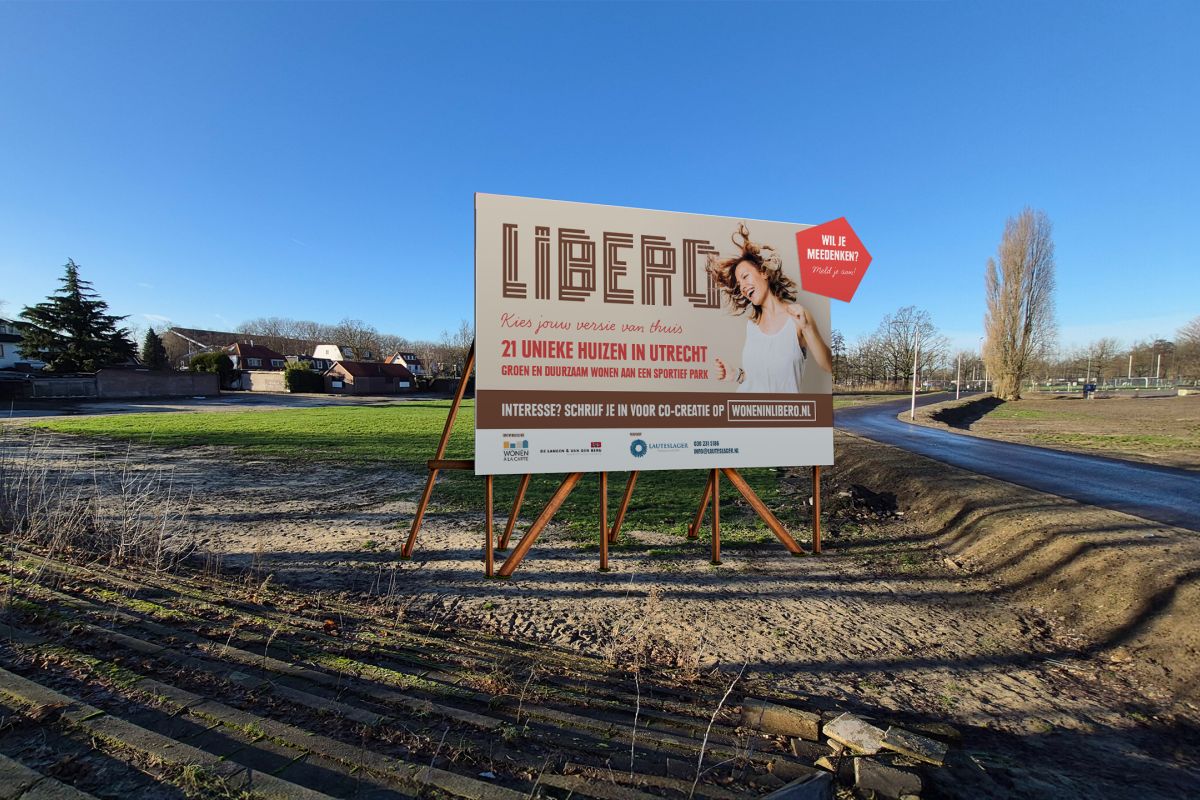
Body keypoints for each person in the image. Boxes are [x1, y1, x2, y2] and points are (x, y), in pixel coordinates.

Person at [706, 223, 832, 392]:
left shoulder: (798, 318)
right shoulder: (752, 326)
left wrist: (807, 328)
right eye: (739, 284)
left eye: (745, 276)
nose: (743, 286)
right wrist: (736, 375)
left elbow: (829, 366)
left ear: (764, 273)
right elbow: (763, 379)